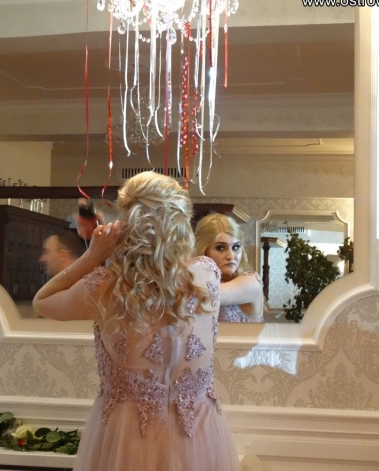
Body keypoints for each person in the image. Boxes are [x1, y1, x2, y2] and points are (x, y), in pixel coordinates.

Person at [33, 172, 240, 471]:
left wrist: (93, 255)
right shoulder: (207, 274)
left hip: (127, 438)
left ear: (127, 223)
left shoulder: (106, 286)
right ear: (181, 221)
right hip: (199, 432)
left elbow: (42, 301)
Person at [195, 213, 264, 323]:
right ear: (203, 250)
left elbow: (208, 295)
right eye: (221, 248)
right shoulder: (196, 282)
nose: (231, 256)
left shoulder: (251, 282)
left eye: (236, 247)